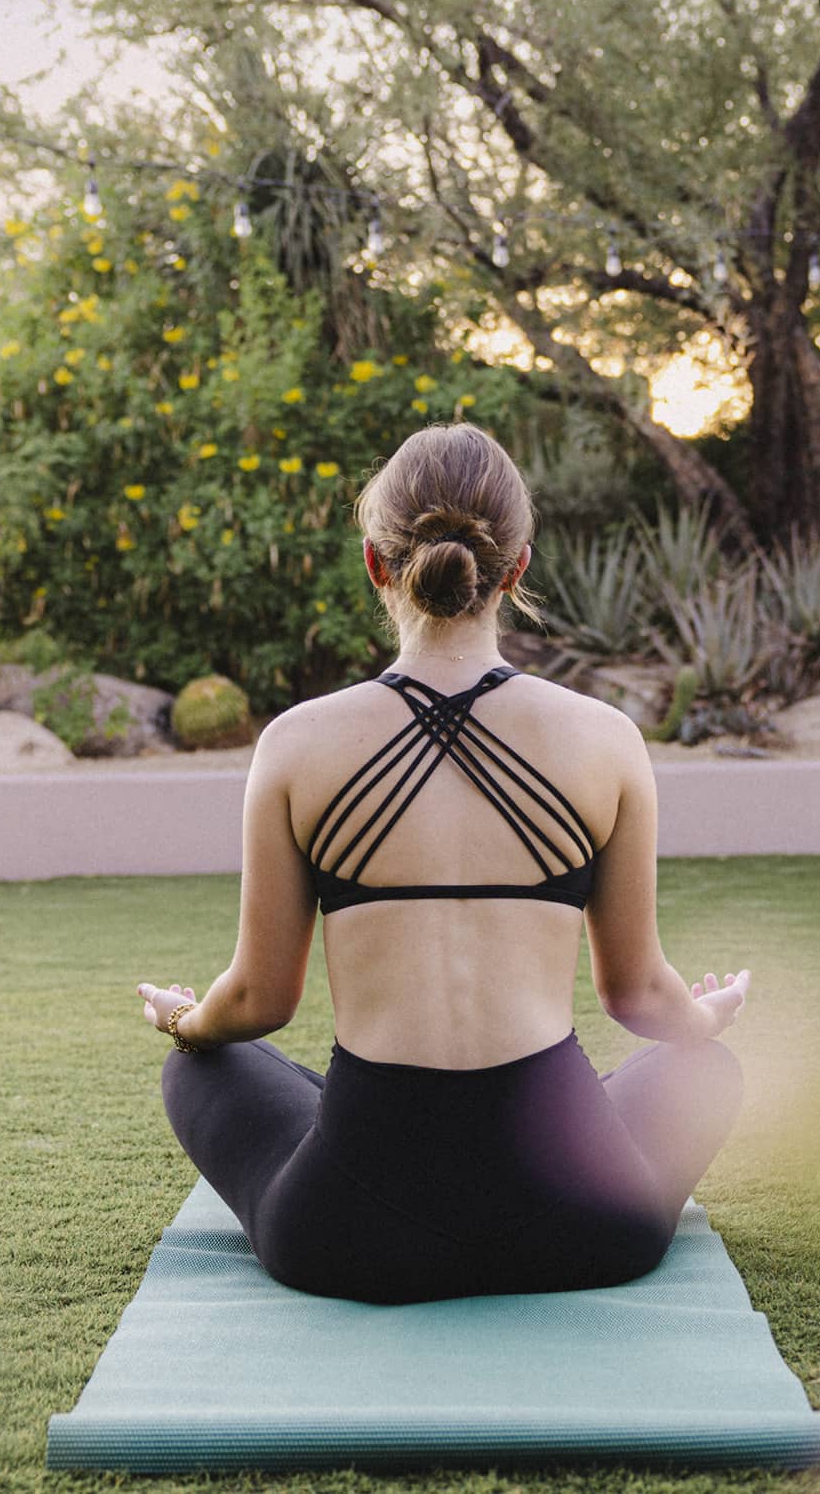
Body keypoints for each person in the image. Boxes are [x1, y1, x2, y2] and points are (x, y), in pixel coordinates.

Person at [135, 422, 751, 1305]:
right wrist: (708, 1013)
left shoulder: (296, 744)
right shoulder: (605, 740)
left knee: (208, 1066)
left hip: (348, 1234)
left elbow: (260, 1003)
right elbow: (641, 1000)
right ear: (519, 566)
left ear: (376, 564)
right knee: (705, 1066)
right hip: (583, 1227)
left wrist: (186, 1022)